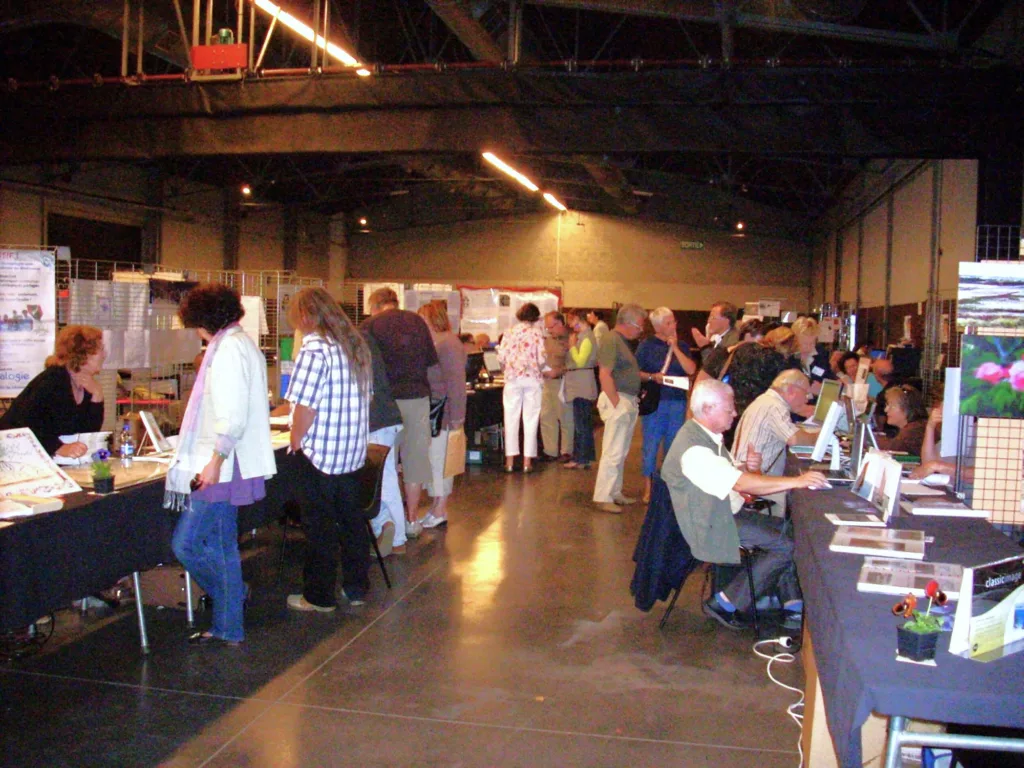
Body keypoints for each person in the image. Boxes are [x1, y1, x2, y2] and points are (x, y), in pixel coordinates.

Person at [661, 379, 828, 630]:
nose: (735, 414)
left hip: (722, 512)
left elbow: (733, 476)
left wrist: (749, 468)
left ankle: (791, 602)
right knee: (786, 545)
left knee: (791, 532)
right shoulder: (695, 450)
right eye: (729, 409)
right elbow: (741, 485)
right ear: (708, 409)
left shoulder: (704, 436)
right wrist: (797, 481)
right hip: (711, 524)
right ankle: (725, 603)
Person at [167, 283, 276, 646]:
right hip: (232, 462)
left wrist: (215, 460)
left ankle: (233, 600)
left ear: (205, 321)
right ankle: (229, 623)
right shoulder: (240, 344)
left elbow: (230, 416)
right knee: (221, 546)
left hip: (224, 464)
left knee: (188, 544)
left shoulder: (227, 351)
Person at [286, 287, 373, 612]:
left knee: (319, 528)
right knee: (351, 523)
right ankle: (356, 587)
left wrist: (296, 437)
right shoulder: (354, 347)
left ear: (306, 316)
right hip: (351, 453)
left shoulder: (314, 350)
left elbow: (305, 407)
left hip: (319, 455)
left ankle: (319, 596)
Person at [362, 287, 439, 538]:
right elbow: (430, 360)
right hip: (417, 396)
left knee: (386, 462)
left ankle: (388, 523)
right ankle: (412, 519)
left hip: (385, 402)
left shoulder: (369, 326)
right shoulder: (417, 321)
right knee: (415, 459)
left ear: (374, 305)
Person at [0, 325, 106, 457]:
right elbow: (24, 422)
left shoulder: (87, 385)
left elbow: (87, 433)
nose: (104, 354)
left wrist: (97, 396)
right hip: (15, 455)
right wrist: (58, 447)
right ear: (84, 354)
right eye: (100, 349)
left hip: (46, 458)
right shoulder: (53, 379)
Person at [635, 307, 696, 504]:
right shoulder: (646, 346)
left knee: (673, 446)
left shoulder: (683, 346)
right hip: (655, 401)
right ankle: (648, 487)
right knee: (651, 446)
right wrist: (653, 377)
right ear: (659, 326)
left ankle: (668, 486)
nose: (674, 325)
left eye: (674, 321)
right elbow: (636, 372)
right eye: (669, 322)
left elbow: (691, 369)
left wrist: (676, 347)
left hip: (677, 401)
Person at [592, 303, 647, 513]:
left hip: (627, 399)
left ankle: (614, 492)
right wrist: (615, 402)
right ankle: (603, 495)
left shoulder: (621, 342)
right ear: (630, 323)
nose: (641, 330)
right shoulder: (611, 339)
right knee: (613, 451)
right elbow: (604, 374)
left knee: (621, 451)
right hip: (619, 399)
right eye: (640, 326)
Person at [418, 301, 467, 527]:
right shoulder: (438, 342)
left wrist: (457, 418)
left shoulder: (448, 344)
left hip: (444, 414)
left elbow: (456, 383)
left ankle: (440, 509)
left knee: (442, 463)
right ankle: (436, 506)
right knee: (435, 461)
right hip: (435, 411)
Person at [364, 331, 406, 557]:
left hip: (376, 422)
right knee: (387, 479)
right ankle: (391, 532)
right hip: (386, 419)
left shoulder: (355, 343)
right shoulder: (365, 339)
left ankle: (395, 535)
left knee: (385, 481)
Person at [732, 370, 819, 479]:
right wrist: (819, 436)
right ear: (792, 390)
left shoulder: (767, 400)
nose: (807, 399)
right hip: (756, 484)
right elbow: (795, 440)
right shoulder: (775, 406)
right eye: (806, 393)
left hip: (750, 478)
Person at [496, 303, 546, 473]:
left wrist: (508, 369)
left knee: (510, 418)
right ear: (535, 317)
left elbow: (501, 357)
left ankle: (509, 461)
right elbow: (541, 359)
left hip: (512, 379)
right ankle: (527, 462)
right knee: (531, 419)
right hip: (532, 378)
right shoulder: (537, 334)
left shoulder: (509, 333)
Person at [563, 308, 598, 469]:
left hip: (581, 383)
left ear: (579, 319)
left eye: (572, 321)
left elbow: (580, 361)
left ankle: (580, 458)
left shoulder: (586, 338)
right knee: (584, 422)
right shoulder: (584, 337)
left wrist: (571, 346)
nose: (570, 325)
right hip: (580, 382)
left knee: (581, 423)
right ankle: (586, 457)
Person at [539, 311, 573, 462]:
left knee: (565, 417)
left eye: (551, 327)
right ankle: (550, 450)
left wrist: (558, 371)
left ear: (560, 323)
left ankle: (567, 451)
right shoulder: (547, 341)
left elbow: (574, 363)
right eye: (547, 328)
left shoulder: (571, 339)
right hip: (547, 382)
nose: (549, 330)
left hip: (563, 381)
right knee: (546, 416)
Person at [877, 385, 929, 455]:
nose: (886, 410)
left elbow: (890, 447)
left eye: (892, 405)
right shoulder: (917, 426)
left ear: (907, 409)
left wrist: (868, 438)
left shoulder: (913, 431)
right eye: (887, 405)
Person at [791, 316, 835, 396]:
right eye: (804, 343)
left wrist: (823, 388)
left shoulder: (821, 355)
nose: (809, 347)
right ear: (796, 341)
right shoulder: (790, 358)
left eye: (812, 343)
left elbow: (830, 380)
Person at [691, 300, 739, 366]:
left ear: (726, 321)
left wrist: (705, 347)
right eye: (709, 317)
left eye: (713, 317)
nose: (709, 321)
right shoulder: (716, 337)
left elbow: (713, 368)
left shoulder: (733, 341)